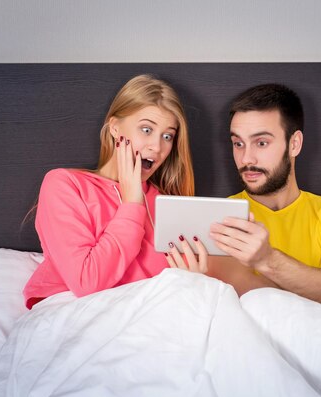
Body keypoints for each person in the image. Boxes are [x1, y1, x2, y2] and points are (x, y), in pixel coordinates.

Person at [23, 74, 203, 309]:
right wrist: (131, 205)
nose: (157, 147)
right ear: (115, 128)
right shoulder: (65, 184)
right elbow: (87, 283)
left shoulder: (167, 205)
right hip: (76, 314)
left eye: (167, 136)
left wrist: (194, 279)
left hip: (151, 320)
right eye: (146, 129)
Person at [204, 83, 321, 317]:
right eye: (238, 143)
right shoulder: (219, 219)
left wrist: (266, 260)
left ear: (294, 143)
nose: (246, 158)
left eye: (261, 142)